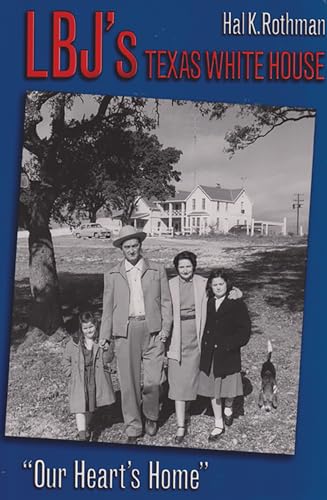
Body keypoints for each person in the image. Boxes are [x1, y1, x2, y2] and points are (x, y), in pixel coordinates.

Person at [99, 225, 172, 443]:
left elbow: (166, 303)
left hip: (153, 331)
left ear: (141, 245)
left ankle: (151, 416)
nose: (131, 250)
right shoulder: (112, 274)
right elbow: (107, 308)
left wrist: (165, 330)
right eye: (127, 246)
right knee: (129, 382)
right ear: (121, 249)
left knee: (154, 379)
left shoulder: (157, 270)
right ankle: (133, 426)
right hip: (125, 331)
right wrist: (105, 336)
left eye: (135, 245)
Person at [167, 253, 243, 444]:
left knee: (206, 375)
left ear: (194, 266)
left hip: (200, 337)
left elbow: (222, 287)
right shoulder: (169, 285)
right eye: (181, 266)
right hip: (178, 336)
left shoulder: (202, 283)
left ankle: (220, 406)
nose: (185, 270)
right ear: (176, 268)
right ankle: (180, 425)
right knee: (177, 380)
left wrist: (237, 292)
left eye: (188, 266)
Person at [198, 269, 251, 442]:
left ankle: (229, 407)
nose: (218, 287)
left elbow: (245, 331)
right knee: (215, 390)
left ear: (227, 285)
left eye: (221, 284)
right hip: (211, 353)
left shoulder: (236, 303)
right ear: (210, 287)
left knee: (229, 389)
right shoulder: (208, 302)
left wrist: (230, 345)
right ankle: (218, 423)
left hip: (228, 353)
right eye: (215, 284)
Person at [62, 310, 115, 441]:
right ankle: (82, 435)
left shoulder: (101, 342)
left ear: (96, 326)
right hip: (79, 379)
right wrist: (70, 372)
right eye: (85, 328)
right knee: (79, 406)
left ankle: (85, 427)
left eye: (91, 327)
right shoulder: (74, 343)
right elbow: (65, 360)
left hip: (95, 378)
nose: (88, 330)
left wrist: (107, 348)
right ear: (81, 329)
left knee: (91, 404)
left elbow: (110, 359)